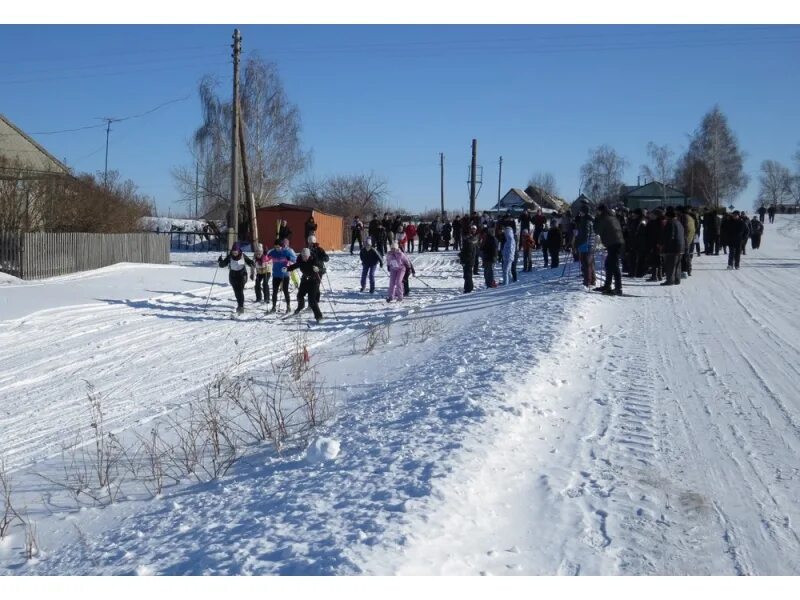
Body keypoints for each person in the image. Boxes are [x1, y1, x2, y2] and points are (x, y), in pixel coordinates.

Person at [594, 205, 625, 295]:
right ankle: (607, 285)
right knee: (609, 264)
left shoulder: (604, 219)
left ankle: (618, 288)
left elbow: (597, 230)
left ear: (601, 211)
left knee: (614, 266)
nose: (597, 213)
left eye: (597, 211)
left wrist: (596, 220)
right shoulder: (612, 217)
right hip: (616, 242)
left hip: (614, 243)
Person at [287, 248, 324, 322]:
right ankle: (301, 306)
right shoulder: (300, 260)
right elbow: (295, 266)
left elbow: (323, 270)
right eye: (303, 256)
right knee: (299, 295)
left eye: (306, 256)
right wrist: (287, 269)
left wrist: (318, 269)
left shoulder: (315, 260)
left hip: (314, 281)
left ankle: (319, 316)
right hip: (305, 280)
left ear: (309, 256)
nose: (304, 258)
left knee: (312, 300)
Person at [217, 242, 255, 314]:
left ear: (239, 251)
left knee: (240, 290)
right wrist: (220, 261)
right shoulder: (230, 256)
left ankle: (241, 306)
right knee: (236, 291)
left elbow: (249, 262)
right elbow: (223, 264)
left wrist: (252, 263)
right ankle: (239, 303)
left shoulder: (243, 256)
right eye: (233, 252)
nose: (234, 254)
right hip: (233, 276)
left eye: (236, 252)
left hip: (242, 275)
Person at [267, 238, 297, 313]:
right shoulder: (272, 252)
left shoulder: (286, 252)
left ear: (282, 246)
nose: (277, 248)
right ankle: (273, 307)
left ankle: (288, 306)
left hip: (285, 275)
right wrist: (264, 256)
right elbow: (266, 259)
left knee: (285, 291)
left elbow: (295, 259)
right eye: (275, 247)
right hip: (276, 275)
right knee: (274, 291)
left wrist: (289, 258)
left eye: (278, 247)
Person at [660, 207, 686, 286]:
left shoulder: (670, 223)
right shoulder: (679, 223)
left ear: (668, 216)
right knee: (677, 264)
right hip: (680, 246)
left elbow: (670, 236)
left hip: (672, 248)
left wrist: (664, 246)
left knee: (670, 265)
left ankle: (670, 280)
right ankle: (677, 279)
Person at [574, 205, 596, 289]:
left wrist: (579, 242)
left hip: (585, 244)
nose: (580, 213)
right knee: (589, 262)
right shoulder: (588, 219)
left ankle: (587, 281)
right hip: (589, 243)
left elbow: (585, 234)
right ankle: (592, 279)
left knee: (585, 262)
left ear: (584, 212)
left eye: (581, 211)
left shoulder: (586, 221)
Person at [308, 235, 329, 306]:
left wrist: (323, 257)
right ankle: (312, 301)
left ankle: (316, 301)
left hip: (319, 270)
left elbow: (326, 258)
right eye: (309, 242)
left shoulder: (319, 249)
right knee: (311, 286)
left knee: (316, 285)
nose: (310, 244)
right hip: (310, 270)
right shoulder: (308, 249)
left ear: (314, 242)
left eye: (311, 242)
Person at [459, 225, 479, 293]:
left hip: (468, 261)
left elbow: (468, 253)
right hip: (469, 260)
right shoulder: (468, 241)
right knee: (466, 275)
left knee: (468, 275)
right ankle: (467, 287)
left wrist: (463, 260)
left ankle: (469, 288)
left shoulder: (469, 241)